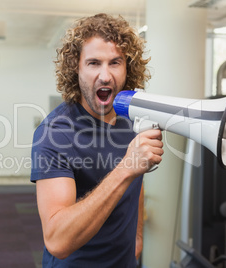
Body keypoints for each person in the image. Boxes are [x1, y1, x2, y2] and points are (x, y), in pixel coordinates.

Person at [30, 13, 164, 267]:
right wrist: (126, 168)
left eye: (115, 62)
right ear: (76, 69)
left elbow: (137, 180)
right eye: (93, 63)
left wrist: (136, 239)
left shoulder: (133, 119)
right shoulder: (55, 133)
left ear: (128, 68)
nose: (105, 75)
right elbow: (57, 241)